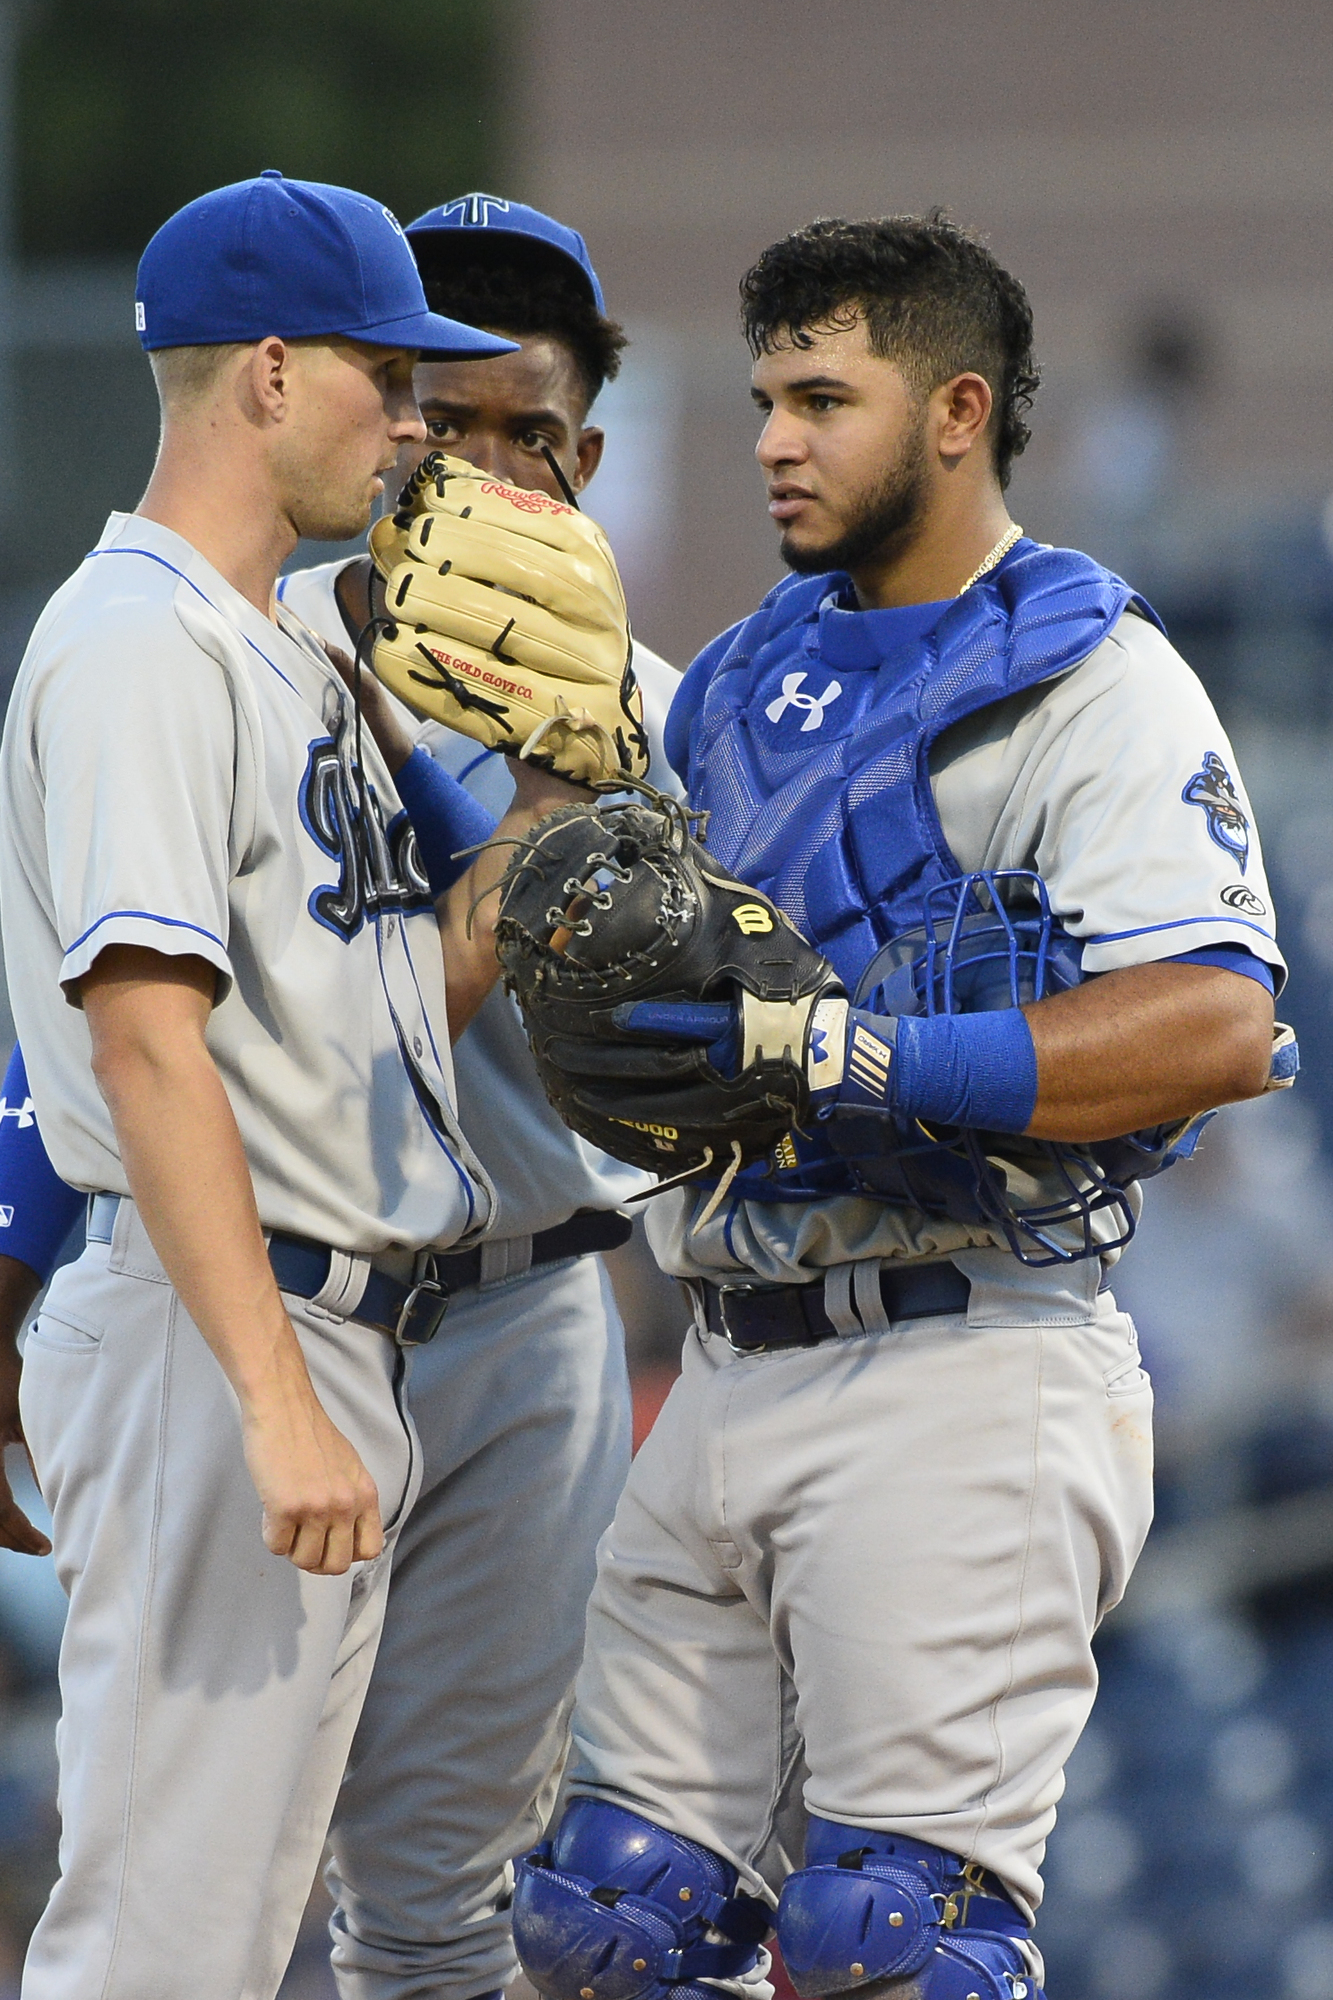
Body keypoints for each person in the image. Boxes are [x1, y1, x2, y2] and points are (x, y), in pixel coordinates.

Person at [507, 216, 1288, 2000]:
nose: (772, 435)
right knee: (610, 1928)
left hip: (960, 1357)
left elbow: (1219, 1022)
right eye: (768, 392)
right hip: (721, 1358)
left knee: (889, 1948)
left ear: (952, 412)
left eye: (819, 397)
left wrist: (853, 1052)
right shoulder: (732, 685)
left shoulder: (1089, 675)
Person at [0, 194, 680, 2000]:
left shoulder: (284, 645)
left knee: (269, 1929)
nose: (411, 423)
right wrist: (269, 1392)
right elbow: (144, 1042)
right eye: (389, 377)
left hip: (345, 1327)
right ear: (272, 371)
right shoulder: (138, 642)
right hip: (233, 1330)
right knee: (165, 1950)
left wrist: (550, 794)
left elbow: (415, 976)